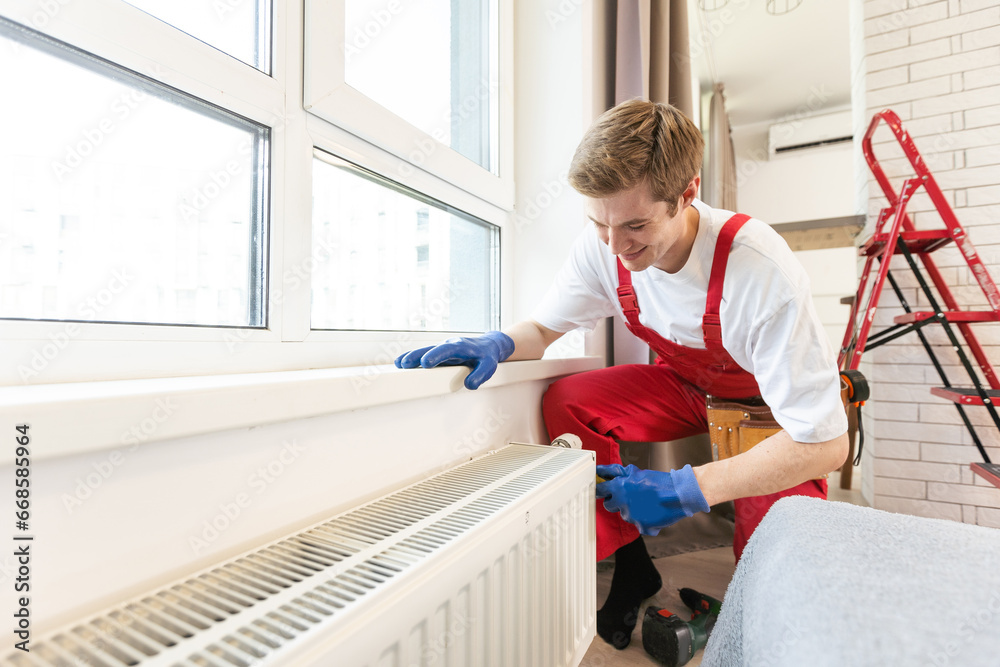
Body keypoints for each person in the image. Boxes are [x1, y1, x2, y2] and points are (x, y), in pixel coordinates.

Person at [394, 99, 849, 650]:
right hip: (689, 387)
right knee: (570, 400)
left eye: (635, 225)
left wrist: (690, 488)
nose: (616, 246)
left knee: (773, 572)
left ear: (687, 193)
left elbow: (825, 445)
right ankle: (633, 566)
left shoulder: (759, 270)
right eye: (599, 224)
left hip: (769, 411)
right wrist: (498, 341)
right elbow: (543, 328)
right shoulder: (605, 244)